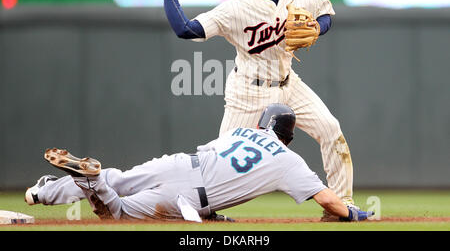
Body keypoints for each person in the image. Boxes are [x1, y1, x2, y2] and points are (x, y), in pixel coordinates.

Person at [158, 0, 356, 221]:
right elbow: (186, 30)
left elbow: (325, 14)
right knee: (217, 161)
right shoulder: (235, 9)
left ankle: (342, 206)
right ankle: (192, 206)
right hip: (249, 93)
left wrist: (317, 27)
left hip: (290, 83)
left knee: (330, 129)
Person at [25, 104, 373, 222]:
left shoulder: (239, 133)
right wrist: (353, 213)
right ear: (288, 136)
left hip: (180, 162)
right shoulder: (289, 161)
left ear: (260, 124)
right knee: (114, 213)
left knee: (120, 177)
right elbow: (328, 200)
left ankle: (42, 193)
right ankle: (90, 181)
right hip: (190, 195)